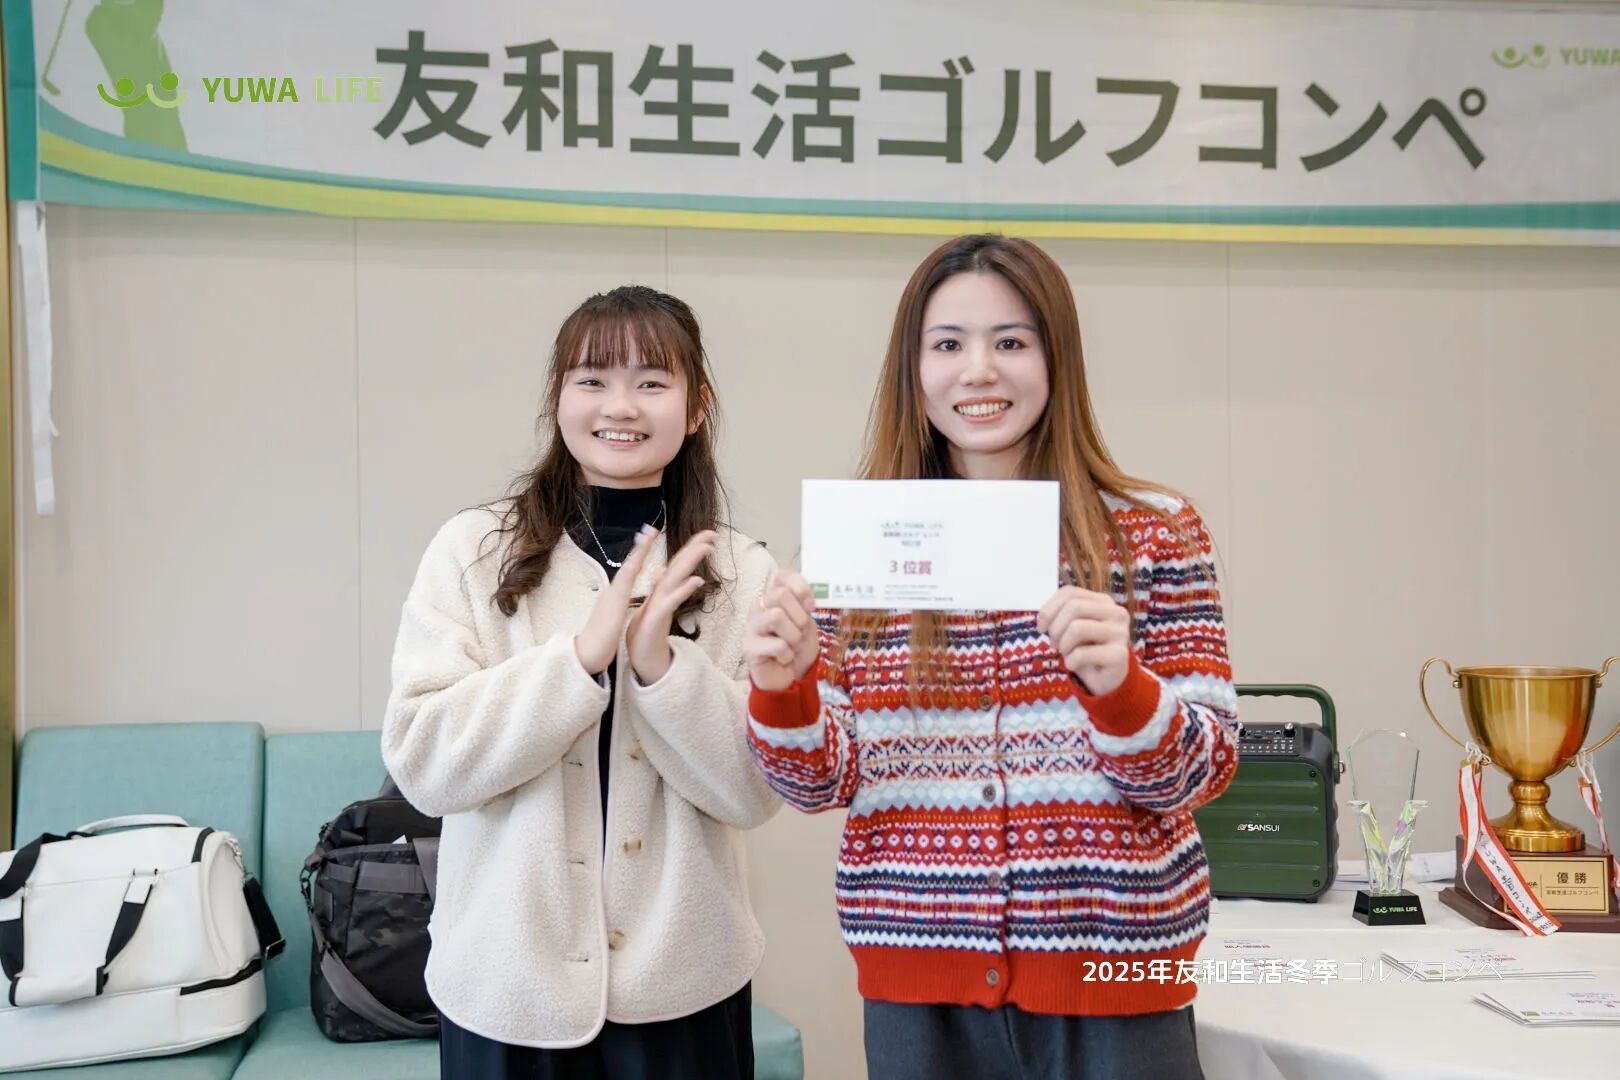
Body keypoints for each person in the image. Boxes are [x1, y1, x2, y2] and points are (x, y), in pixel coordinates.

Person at [744, 235, 1238, 1080]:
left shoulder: (1154, 532)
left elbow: (1205, 771)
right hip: (917, 983)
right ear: (913, 368)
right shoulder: (865, 544)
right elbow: (819, 783)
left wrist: (1122, 689)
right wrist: (780, 689)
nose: (979, 371)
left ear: (1056, 359)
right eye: (948, 344)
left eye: (1011, 341)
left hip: (1119, 976)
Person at [383, 285, 779, 1080]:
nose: (619, 406)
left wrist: (663, 671)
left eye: (651, 382)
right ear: (557, 399)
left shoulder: (740, 570)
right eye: (591, 379)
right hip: (506, 986)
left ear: (696, 408)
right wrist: (576, 661)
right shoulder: (473, 549)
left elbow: (754, 793)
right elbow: (423, 763)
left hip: (684, 988)